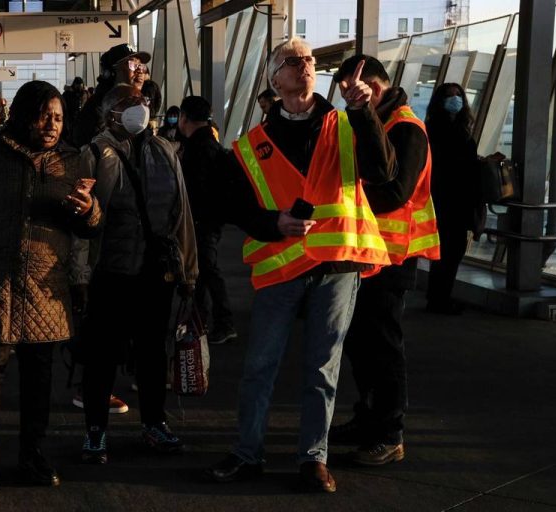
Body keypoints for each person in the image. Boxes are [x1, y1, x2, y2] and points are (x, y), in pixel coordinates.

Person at [203, 37, 394, 493]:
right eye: (292, 61)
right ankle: (248, 454)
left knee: (322, 368)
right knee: (259, 366)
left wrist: (364, 112)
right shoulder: (251, 145)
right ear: (275, 80)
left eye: (308, 59)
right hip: (280, 265)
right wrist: (273, 223)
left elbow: (383, 174)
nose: (304, 65)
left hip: (336, 265)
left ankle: (313, 459)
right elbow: (234, 206)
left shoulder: (348, 124)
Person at [0, 80, 102, 495]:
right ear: (22, 113)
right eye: (44, 115)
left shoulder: (71, 160)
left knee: (39, 378)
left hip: (47, 285)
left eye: (59, 117)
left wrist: (89, 211)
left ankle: (33, 453)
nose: (51, 124)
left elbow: (89, 224)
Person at [74, 84, 198, 465]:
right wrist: (79, 274)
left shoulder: (165, 150)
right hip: (109, 272)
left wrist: (188, 270)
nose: (138, 108)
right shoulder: (94, 152)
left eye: (140, 102)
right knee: (102, 355)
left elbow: (182, 214)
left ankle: (154, 422)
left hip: (155, 273)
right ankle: (95, 430)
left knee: (152, 354)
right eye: (127, 103)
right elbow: (80, 219)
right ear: (110, 113)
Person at [327, 55, 439, 466]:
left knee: (384, 346)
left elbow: (397, 193)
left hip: (393, 257)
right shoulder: (375, 122)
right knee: (361, 343)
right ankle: (369, 417)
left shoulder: (406, 127)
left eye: (353, 91)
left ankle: (390, 432)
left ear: (373, 86)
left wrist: (342, 202)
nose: (348, 100)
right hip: (367, 254)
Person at [177, 96, 236, 344]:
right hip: (212, 219)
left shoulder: (193, 150)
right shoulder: (213, 145)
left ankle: (224, 322)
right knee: (202, 271)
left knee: (207, 270)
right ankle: (201, 320)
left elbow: (192, 189)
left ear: (184, 118)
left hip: (200, 221)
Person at [424, 83, 481, 315]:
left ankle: (437, 297)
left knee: (446, 252)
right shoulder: (448, 132)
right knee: (450, 252)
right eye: (450, 96)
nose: (455, 100)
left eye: (458, 95)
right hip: (449, 200)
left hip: (446, 200)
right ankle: (440, 299)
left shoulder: (436, 129)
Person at [72, 43, 150, 148]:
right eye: (132, 64)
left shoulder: (137, 103)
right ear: (111, 73)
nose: (139, 71)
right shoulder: (99, 107)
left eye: (141, 65)